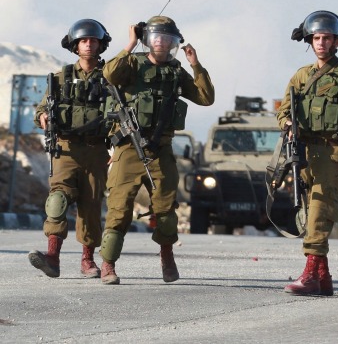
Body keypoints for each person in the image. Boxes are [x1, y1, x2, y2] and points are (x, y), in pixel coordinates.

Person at [100, 16, 215, 285]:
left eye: (168, 38)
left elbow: (206, 97)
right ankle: (108, 265)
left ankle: (166, 255)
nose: (162, 42)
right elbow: (109, 74)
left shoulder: (175, 71)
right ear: (147, 41)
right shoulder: (132, 64)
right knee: (119, 207)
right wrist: (129, 44)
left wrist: (195, 64)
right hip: (129, 147)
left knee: (165, 209)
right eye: (157, 37)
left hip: (160, 149)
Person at [276, 10, 338, 296]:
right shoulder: (301, 76)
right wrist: (288, 123)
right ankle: (323, 277)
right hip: (305, 155)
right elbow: (282, 111)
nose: (321, 43)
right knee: (310, 214)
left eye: (327, 38)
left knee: (320, 211)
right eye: (316, 38)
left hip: (333, 155)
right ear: (310, 40)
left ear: (337, 41)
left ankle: (309, 276)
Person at [28, 19, 112, 279]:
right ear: (75, 46)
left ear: (100, 45)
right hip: (65, 149)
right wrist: (43, 118)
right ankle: (52, 257)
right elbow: (41, 109)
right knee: (57, 200)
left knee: (91, 206)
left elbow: (122, 113)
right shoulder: (61, 77)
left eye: (93, 41)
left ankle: (88, 261)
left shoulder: (111, 78)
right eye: (83, 41)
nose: (88, 45)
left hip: (97, 150)